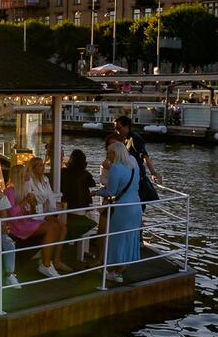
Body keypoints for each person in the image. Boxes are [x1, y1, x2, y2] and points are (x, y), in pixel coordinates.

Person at [6, 156, 71, 278]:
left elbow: (24, 211)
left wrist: (31, 209)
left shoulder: (23, 189)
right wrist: (25, 201)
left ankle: (49, 262)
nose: (28, 176)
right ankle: (45, 264)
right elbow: (12, 214)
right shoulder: (10, 191)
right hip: (16, 225)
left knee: (56, 226)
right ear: (20, 176)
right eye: (26, 174)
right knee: (51, 227)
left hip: (25, 221)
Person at [97, 141, 142, 283]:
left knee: (117, 238)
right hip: (136, 205)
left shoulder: (116, 168)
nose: (107, 155)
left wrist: (96, 192)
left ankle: (115, 271)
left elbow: (111, 191)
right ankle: (120, 270)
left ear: (114, 153)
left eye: (109, 153)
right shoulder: (133, 162)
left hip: (123, 208)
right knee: (129, 238)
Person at [61, 149, 100, 262]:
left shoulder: (63, 172)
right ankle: (83, 250)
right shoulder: (85, 174)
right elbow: (92, 184)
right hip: (82, 208)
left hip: (67, 208)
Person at [114, 115, 161, 198]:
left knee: (141, 201)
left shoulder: (135, 138)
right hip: (131, 176)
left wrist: (153, 173)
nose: (116, 130)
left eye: (118, 128)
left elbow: (144, 156)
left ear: (127, 126)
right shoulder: (125, 139)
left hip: (138, 176)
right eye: (115, 128)